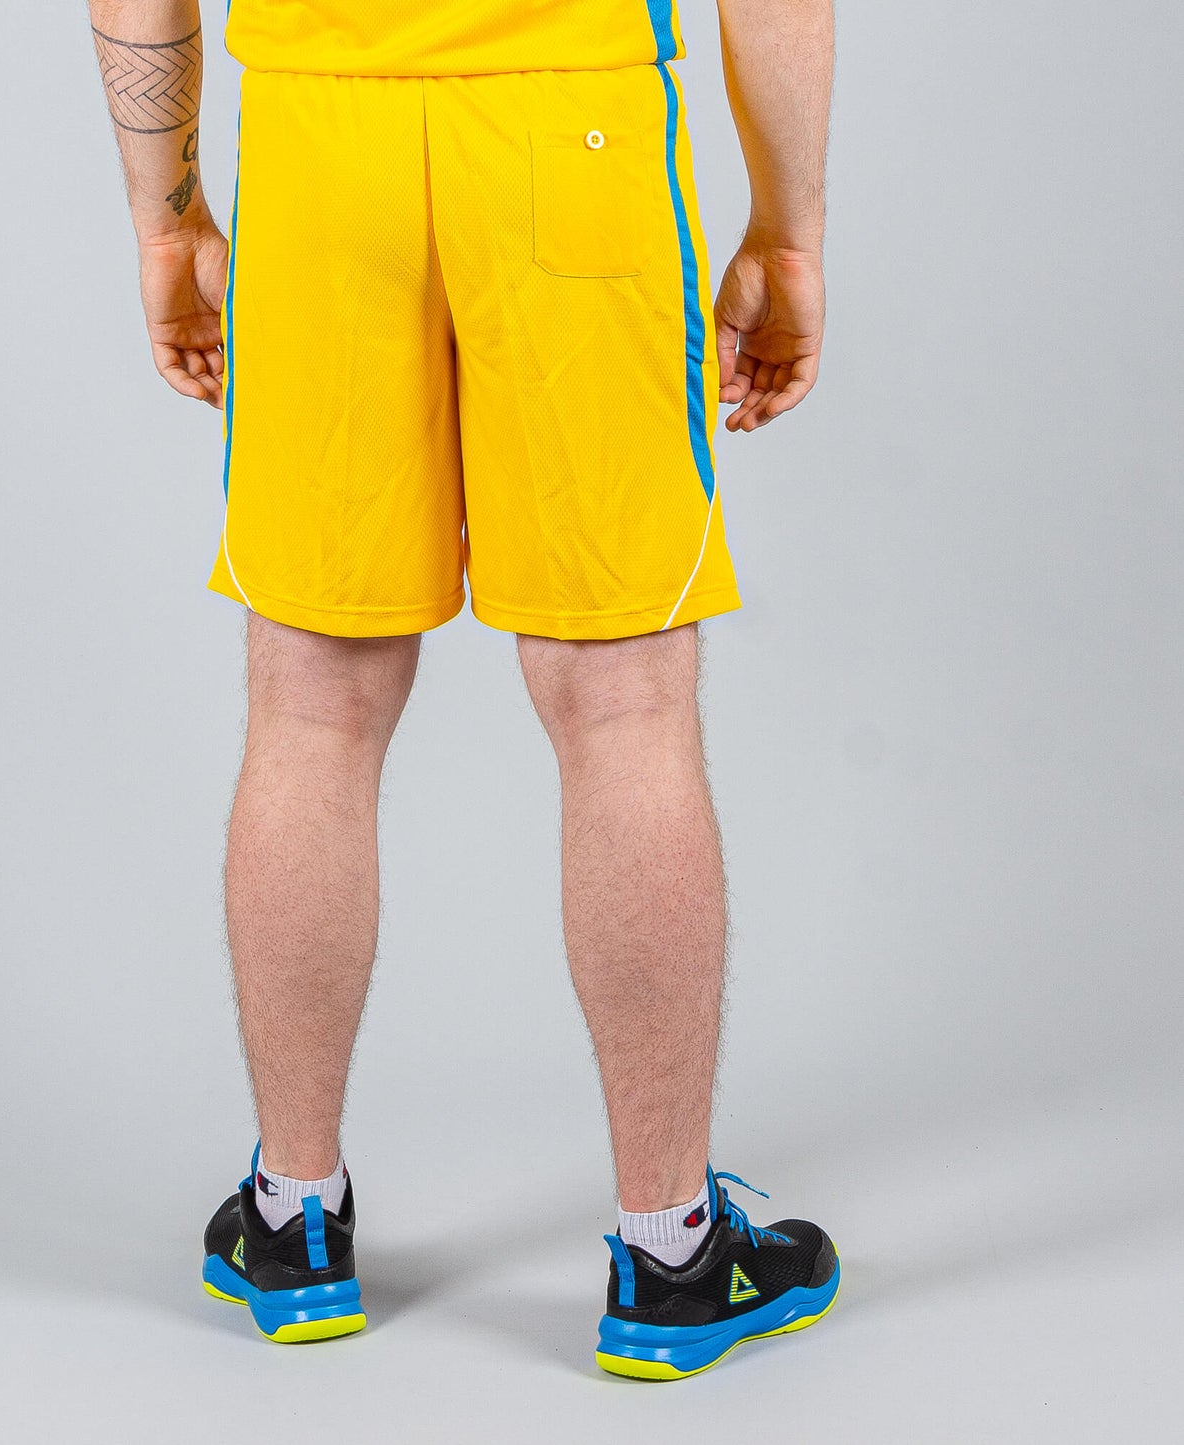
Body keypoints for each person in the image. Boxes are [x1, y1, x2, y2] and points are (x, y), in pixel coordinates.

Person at [89, 0, 836, 1380]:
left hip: (321, 147)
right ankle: (672, 1253)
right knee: (623, 702)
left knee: (311, 702)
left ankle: (292, 1220)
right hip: (575, 125)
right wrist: (787, 232)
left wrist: (166, 211)